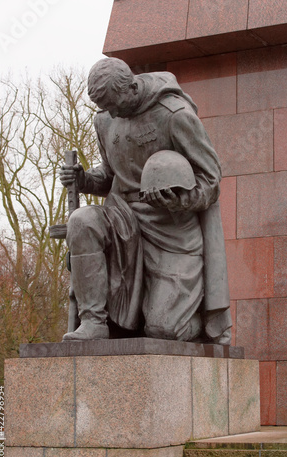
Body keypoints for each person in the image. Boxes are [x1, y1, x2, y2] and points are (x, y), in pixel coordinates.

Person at [60, 57, 232, 343]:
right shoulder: (104, 119)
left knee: (163, 330)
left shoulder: (174, 114)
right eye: (105, 108)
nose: (111, 113)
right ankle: (93, 321)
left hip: (171, 230)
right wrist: (84, 180)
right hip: (123, 220)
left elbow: (211, 180)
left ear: (131, 87)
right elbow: (112, 174)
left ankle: (194, 318)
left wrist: (178, 199)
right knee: (82, 221)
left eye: (115, 104)